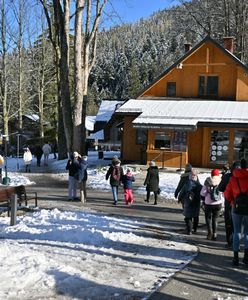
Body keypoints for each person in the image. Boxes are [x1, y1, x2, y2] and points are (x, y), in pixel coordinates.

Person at [224, 158, 248, 267]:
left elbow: (226, 194)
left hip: (236, 208)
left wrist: (233, 201)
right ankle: (246, 258)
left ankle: (235, 258)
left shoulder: (234, 178)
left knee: (237, 231)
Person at [218, 161, 241, 248]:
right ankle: (237, 244)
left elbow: (220, 188)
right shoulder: (245, 177)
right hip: (241, 204)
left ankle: (230, 242)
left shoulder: (227, 177)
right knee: (239, 225)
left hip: (229, 203)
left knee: (229, 223)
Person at [200, 169, 223, 240]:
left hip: (208, 203)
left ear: (212, 174)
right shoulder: (221, 181)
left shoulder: (208, 181)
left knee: (208, 218)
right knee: (215, 219)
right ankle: (215, 234)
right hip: (218, 203)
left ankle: (210, 233)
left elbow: (202, 193)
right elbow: (223, 191)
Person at [179, 169, 202, 234]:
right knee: (195, 216)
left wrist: (179, 198)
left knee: (188, 217)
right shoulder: (199, 185)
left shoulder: (187, 183)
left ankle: (189, 230)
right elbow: (202, 193)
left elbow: (182, 191)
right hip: (196, 202)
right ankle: (195, 228)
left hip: (188, 202)